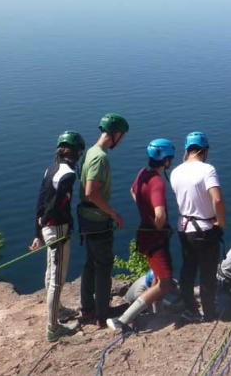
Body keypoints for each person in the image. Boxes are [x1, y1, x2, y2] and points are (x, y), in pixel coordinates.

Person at [108, 139, 177, 332]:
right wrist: (158, 226)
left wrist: (143, 210)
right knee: (165, 283)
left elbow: (133, 191)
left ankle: (158, 313)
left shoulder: (142, 173)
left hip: (143, 234)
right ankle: (122, 319)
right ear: (166, 160)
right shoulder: (157, 183)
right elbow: (160, 215)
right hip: (155, 238)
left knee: (156, 276)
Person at [30, 131, 86, 342]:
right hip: (58, 229)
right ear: (77, 152)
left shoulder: (50, 168)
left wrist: (38, 231)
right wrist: (48, 220)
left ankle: (59, 310)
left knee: (49, 272)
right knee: (57, 279)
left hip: (47, 229)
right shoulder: (69, 174)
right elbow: (58, 203)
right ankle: (53, 328)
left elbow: (40, 201)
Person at [78, 113, 128, 327]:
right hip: (97, 219)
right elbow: (91, 192)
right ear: (115, 133)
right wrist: (113, 213)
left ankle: (88, 308)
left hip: (85, 218)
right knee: (103, 264)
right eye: (122, 135)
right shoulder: (100, 157)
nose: (122, 139)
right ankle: (102, 313)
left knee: (91, 262)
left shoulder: (91, 151)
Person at [170, 131, 226, 323]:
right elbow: (217, 199)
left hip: (184, 228)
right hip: (205, 228)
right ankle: (209, 313)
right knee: (208, 273)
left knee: (188, 270)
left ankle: (191, 309)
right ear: (205, 150)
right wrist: (221, 221)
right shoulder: (207, 169)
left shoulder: (175, 172)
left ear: (187, 150)